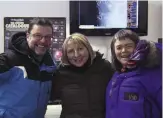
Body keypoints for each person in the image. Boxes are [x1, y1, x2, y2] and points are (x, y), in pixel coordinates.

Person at [0, 18, 56, 118]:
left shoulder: (49, 64)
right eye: (38, 35)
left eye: (48, 37)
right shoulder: (9, 59)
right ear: (28, 36)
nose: (43, 41)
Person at [51, 33, 114, 118]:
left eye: (80, 49)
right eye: (71, 51)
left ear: (88, 48)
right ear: (66, 55)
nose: (76, 55)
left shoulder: (104, 67)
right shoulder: (60, 73)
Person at [106, 29, 162, 118]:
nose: (124, 50)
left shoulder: (152, 75)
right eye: (119, 47)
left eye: (129, 46)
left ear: (138, 47)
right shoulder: (115, 77)